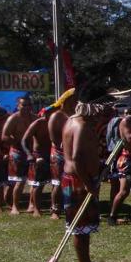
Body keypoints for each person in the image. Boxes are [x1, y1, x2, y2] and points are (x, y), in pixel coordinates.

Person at [61, 90, 113, 262]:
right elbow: (75, 159)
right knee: (79, 228)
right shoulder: (81, 126)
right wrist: (88, 183)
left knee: (85, 227)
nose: (99, 119)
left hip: (81, 179)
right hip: (78, 181)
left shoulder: (72, 122)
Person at [2, 95, 36, 215]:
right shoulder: (13, 119)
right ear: (18, 106)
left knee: (33, 180)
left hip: (31, 152)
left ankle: (32, 205)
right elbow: (4, 136)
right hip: (17, 152)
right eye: (23, 105)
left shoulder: (34, 118)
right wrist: (18, 143)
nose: (26, 107)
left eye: (28, 105)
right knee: (19, 181)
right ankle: (14, 206)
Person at [49, 89, 77, 220]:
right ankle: (55, 209)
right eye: (73, 99)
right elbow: (53, 137)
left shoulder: (75, 114)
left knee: (70, 182)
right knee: (57, 183)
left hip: (70, 153)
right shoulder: (57, 116)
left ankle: (69, 207)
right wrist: (62, 145)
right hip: (59, 153)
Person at [22, 107, 53, 217]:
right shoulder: (37, 124)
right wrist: (30, 155)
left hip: (52, 155)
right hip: (38, 155)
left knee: (55, 183)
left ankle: (54, 208)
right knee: (37, 184)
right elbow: (24, 140)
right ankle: (36, 209)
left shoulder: (55, 123)